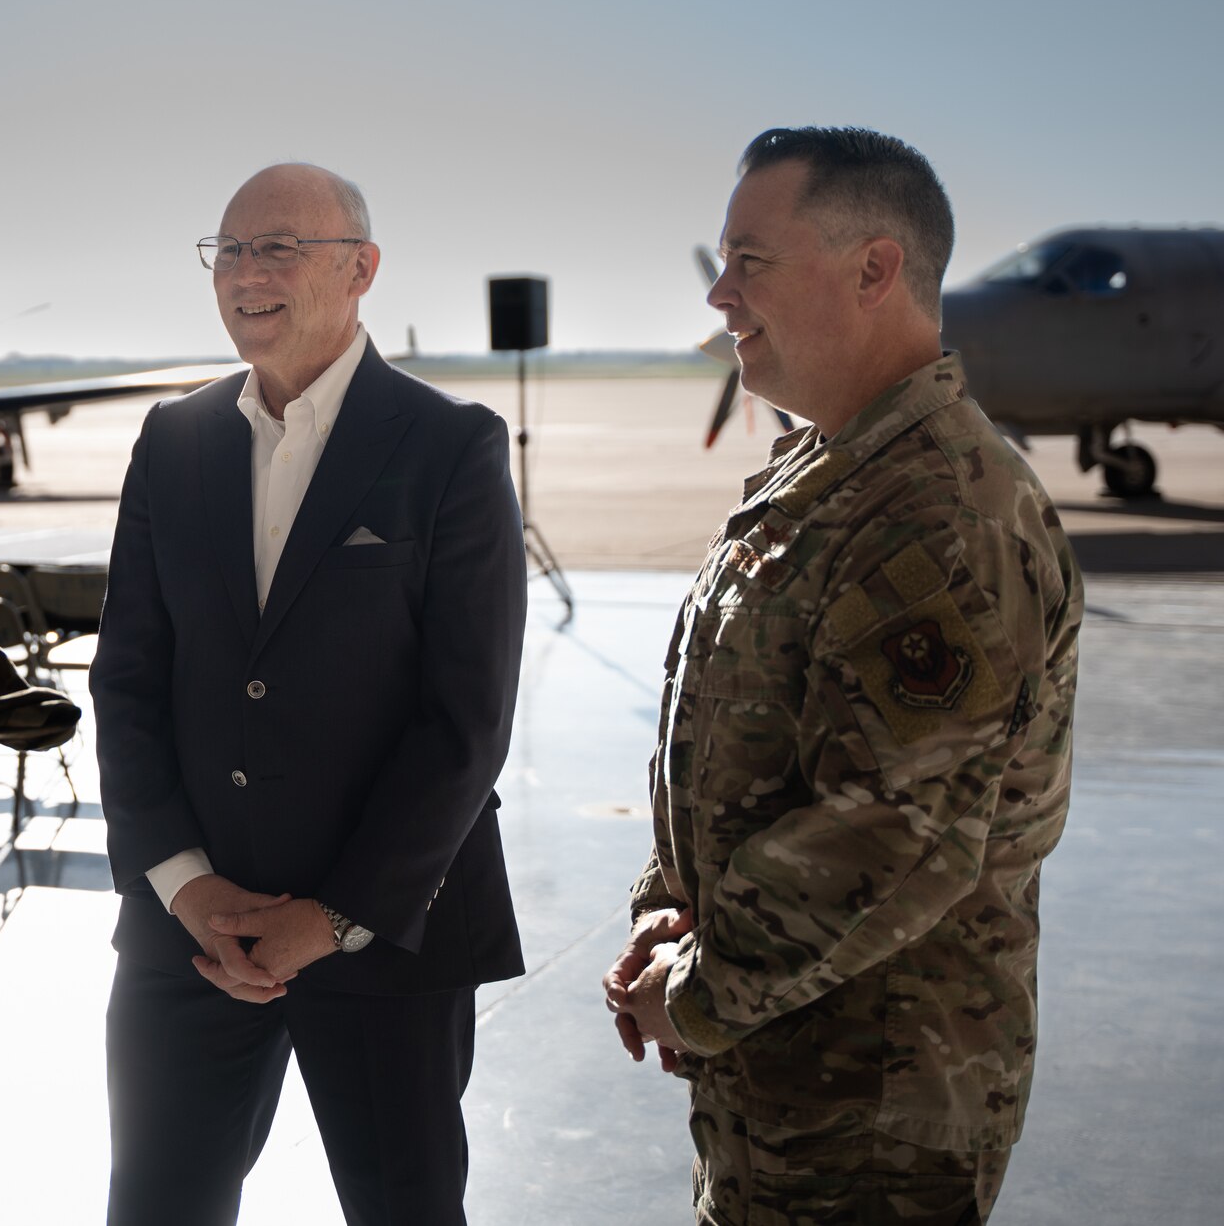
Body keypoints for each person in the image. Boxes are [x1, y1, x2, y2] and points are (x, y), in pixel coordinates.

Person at [603, 127, 1081, 1224]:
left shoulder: (938, 513)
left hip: (871, 1112)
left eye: (749, 260)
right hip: (787, 1073)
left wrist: (696, 989)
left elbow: (891, 833)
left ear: (873, 270)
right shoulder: (828, 474)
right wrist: (664, 904)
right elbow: (737, 746)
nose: (719, 294)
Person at [92, 163, 528, 1225]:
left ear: (360, 269)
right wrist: (185, 886)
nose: (245, 273)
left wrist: (331, 919)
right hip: (191, 930)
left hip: (385, 928)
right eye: (228, 250)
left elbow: (463, 722)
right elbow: (128, 676)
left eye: (277, 247)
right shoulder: (172, 439)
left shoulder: (449, 447)